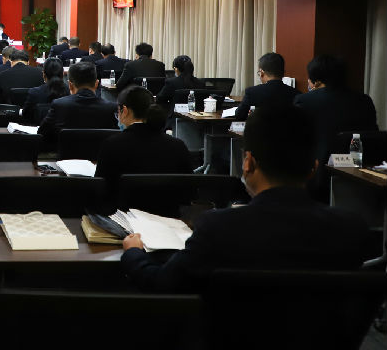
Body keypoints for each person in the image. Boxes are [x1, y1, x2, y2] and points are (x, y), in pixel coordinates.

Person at [120, 105, 369, 293]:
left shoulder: (218, 228)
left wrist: (134, 253)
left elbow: (162, 284)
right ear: (313, 168)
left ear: (248, 163)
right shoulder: (351, 229)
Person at [294, 55, 379, 201]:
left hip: (316, 178)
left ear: (316, 80)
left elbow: (293, 138)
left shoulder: (304, 101)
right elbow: (373, 137)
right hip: (360, 178)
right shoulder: (364, 101)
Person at [94, 86, 193, 194]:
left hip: (124, 204)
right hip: (168, 204)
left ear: (125, 111)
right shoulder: (178, 146)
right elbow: (190, 190)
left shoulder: (111, 145)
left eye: (118, 112)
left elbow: (101, 189)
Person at [38, 61, 117, 144]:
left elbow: (42, 132)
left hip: (67, 152)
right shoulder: (111, 108)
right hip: (99, 152)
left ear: (70, 85)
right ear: (96, 84)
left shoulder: (59, 105)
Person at [234, 52, 300, 121]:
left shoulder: (252, 92)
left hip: (259, 128)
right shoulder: (296, 94)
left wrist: (252, 116)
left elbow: (239, 115)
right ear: (283, 72)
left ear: (261, 73)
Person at [23, 57, 68, 125]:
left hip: (38, 129)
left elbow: (26, 115)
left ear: (44, 74)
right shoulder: (70, 92)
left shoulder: (34, 92)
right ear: (63, 74)